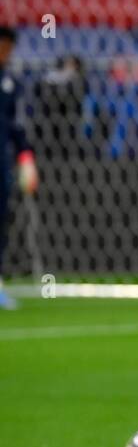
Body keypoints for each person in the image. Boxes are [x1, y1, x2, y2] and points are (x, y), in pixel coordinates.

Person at [0, 26, 38, 311]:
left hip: (2, 161)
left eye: (9, 47)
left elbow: (17, 128)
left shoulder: (10, 82)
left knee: (2, 219)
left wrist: (26, 159)